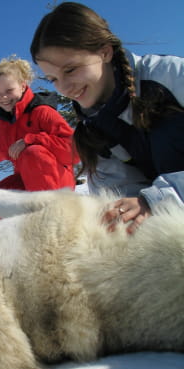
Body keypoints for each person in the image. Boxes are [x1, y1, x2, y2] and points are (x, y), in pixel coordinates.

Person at [30, 1, 184, 233]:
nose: (64, 88)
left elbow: (151, 202)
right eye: (53, 79)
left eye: (70, 70)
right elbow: (124, 195)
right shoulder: (93, 131)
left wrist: (159, 199)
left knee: (167, 136)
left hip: (172, 202)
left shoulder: (169, 76)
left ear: (104, 51)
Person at [0, 56, 78, 223]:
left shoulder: (42, 112)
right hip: (27, 183)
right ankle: (32, 224)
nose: (4, 97)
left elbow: (74, 151)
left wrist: (32, 140)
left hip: (57, 185)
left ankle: (57, 220)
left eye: (9, 90)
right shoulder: (1, 126)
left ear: (23, 86)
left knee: (33, 153)